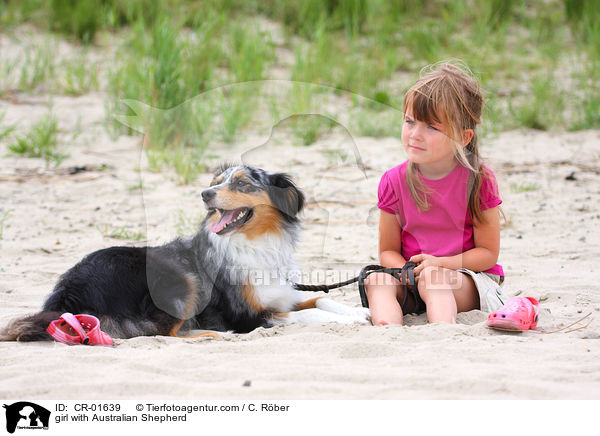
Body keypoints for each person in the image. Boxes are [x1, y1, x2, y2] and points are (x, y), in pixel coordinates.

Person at [365, 61, 508, 326]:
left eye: (432, 127)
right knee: (377, 280)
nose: (415, 135)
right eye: (410, 122)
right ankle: (387, 333)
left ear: (463, 137)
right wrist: (406, 270)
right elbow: (387, 251)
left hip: (467, 279)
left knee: (434, 280)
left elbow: (487, 253)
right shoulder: (393, 181)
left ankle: (443, 331)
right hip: (414, 278)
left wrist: (440, 264)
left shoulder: (478, 180)